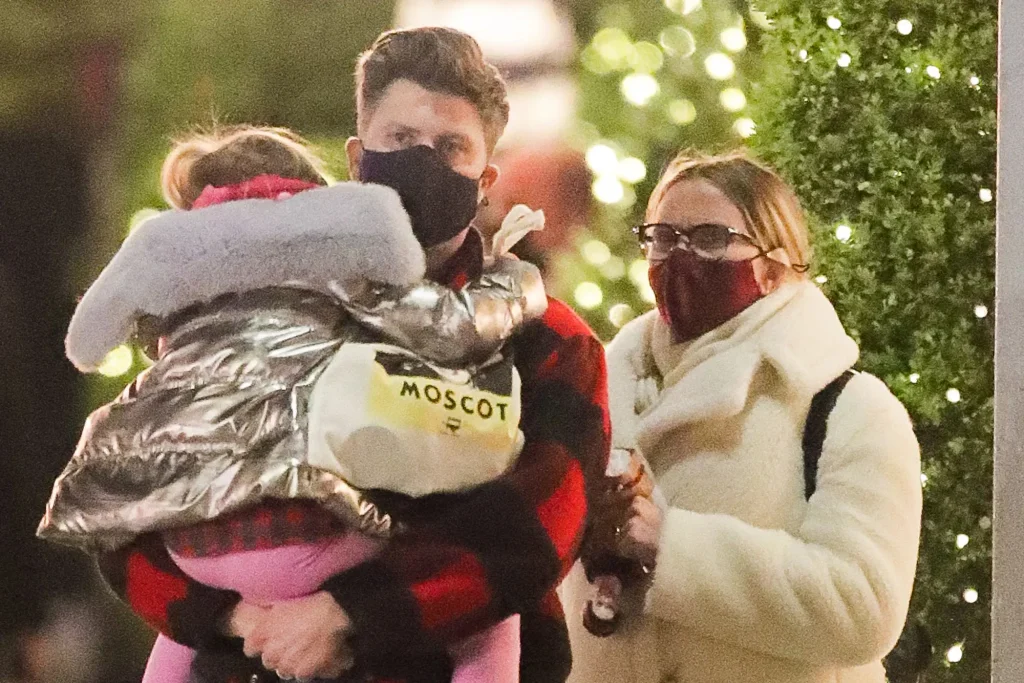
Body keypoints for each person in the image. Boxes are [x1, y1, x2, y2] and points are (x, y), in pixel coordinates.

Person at [89, 28, 610, 683]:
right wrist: (234, 617)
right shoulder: (256, 313)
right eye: (400, 141)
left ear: (486, 179)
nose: (423, 162)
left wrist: (350, 613)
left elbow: (537, 528)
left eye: (451, 147)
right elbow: (128, 498)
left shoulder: (548, 339)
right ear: (358, 156)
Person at [562, 151, 922, 683]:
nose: (680, 257)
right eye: (663, 237)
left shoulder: (850, 409)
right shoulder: (592, 393)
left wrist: (674, 546)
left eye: (710, 238)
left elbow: (863, 607)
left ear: (773, 270)